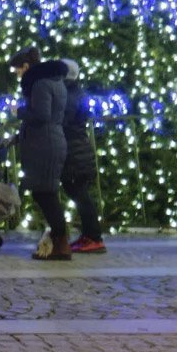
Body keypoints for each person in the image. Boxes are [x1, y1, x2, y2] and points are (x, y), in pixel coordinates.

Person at [10, 48, 70, 261]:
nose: (18, 75)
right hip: (50, 141)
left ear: (26, 67)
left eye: (18, 71)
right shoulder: (54, 80)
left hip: (44, 143)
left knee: (46, 193)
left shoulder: (39, 83)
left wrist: (19, 112)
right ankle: (59, 240)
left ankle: (61, 244)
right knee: (45, 192)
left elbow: (42, 115)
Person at [59, 60, 106, 254]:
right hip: (78, 150)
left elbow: (64, 120)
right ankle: (90, 236)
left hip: (74, 153)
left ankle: (93, 237)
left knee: (80, 195)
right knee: (79, 194)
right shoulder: (76, 92)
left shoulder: (68, 95)